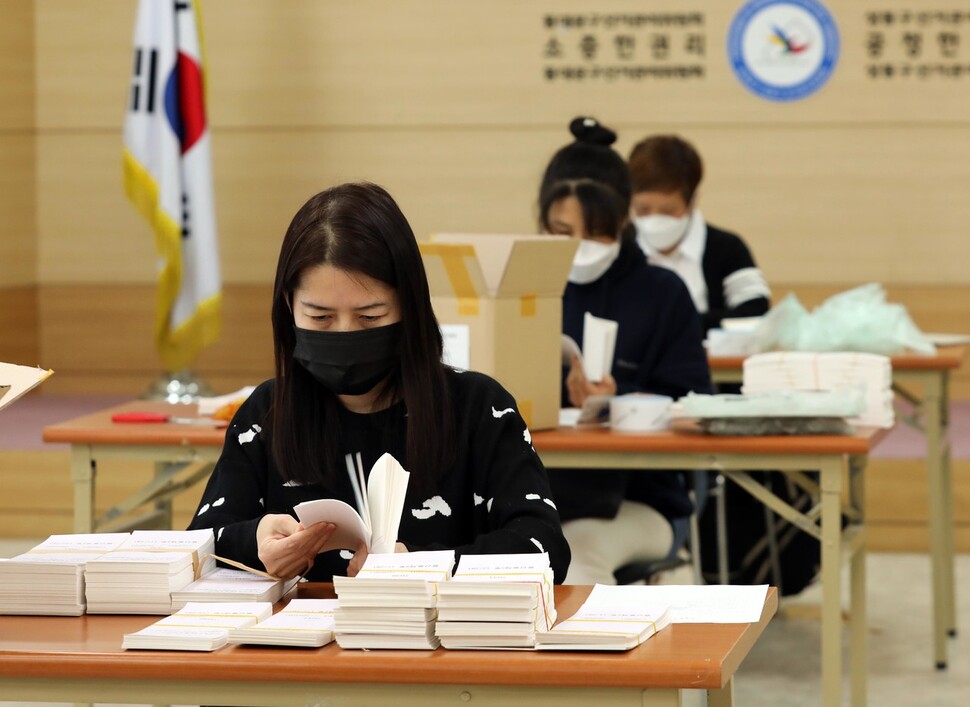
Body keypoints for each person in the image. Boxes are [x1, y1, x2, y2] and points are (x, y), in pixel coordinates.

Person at [188, 182, 570, 583]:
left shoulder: (480, 409)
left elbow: (543, 548)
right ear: (289, 306)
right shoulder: (267, 414)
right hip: (297, 643)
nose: (345, 334)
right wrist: (256, 542)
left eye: (370, 318)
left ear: (409, 306)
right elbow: (195, 549)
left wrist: (421, 567)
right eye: (320, 318)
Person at [538, 118, 711, 585]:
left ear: (623, 222)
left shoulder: (662, 293)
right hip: (537, 494)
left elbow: (696, 406)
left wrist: (621, 399)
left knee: (575, 556)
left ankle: (605, 654)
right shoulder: (525, 292)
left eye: (595, 233)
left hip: (640, 500)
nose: (577, 248)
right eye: (560, 232)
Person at [628, 134, 771, 332]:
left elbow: (756, 311)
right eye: (643, 210)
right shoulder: (618, 249)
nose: (655, 220)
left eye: (668, 211)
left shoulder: (727, 248)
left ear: (692, 201)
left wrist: (682, 323)